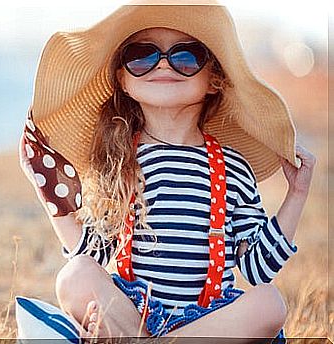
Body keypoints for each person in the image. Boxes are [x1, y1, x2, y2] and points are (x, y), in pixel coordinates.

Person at [19, 0, 316, 341]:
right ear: (123, 81)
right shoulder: (118, 160)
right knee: (74, 276)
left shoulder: (233, 167)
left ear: (214, 80)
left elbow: (258, 269)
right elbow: (93, 255)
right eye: (141, 55)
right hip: (136, 315)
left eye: (186, 56)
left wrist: (297, 195)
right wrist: (49, 190)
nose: (163, 64)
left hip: (210, 323)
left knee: (269, 304)